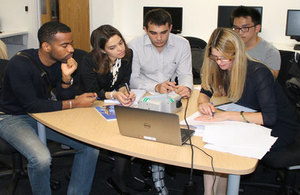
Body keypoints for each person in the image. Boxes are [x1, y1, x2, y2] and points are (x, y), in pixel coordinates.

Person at [197, 28, 300, 195]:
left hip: (278, 128)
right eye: (215, 57)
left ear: (237, 52)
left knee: (224, 147)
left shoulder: (258, 73)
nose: (220, 62)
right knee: (212, 145)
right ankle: (210, 192)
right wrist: (203, 103)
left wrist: (226, 115)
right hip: (250, 121)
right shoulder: (220, 67)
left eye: (224, 57)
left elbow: (269, 117)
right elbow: (205, 91)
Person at [0, 21, 99, 195]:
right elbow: (32, 105)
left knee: (90, 146)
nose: (71, 50)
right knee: (41, 158)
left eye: (71, 44)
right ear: (46, 46)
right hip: (11, 117)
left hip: (42, 115)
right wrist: (75, 103)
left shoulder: (56, 62)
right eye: (65, 45)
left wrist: (66, 79)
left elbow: (62, 97)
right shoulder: (20, 64)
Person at [129, 8, 193, 195]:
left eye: (164, 32)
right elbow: (133, 78)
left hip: (171, 94)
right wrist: (156, 86)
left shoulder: (182, 44)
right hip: (144, 93)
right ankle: (157, 169)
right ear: (145, 29)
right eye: (153, 33)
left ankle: (164, 163)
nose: (159, 38)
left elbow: (186, 74)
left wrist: (186, 87)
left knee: (175, 123)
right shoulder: (134, 45)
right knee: (152, 125)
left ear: (171, 28)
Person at [80, 24, 150, 194]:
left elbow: (124, 80)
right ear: (103, 51)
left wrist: (125, 91)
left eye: (121, 43)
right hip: (86, 105)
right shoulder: (89, 61)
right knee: (120, 132)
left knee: (128, 127)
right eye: (113, 47)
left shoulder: (128, 54)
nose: (120, 49)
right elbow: (92, 91)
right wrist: (114, 95)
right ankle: (119, 178)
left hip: (110, 103)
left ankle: (125, 175)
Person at [231, 6, 281, 78]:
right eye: (236, 28)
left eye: (245, 28)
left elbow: (268, 83)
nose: (240, 32)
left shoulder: (270, 52)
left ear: (257, 28)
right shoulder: (231, 47)